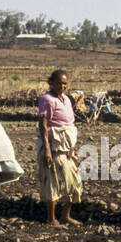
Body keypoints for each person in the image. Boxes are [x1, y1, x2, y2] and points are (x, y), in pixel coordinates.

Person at [37, 69, 84, 226]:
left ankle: (65, 216)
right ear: (51, 83)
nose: (62, 86)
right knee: (53, 181)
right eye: (59, 83)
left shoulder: (66, 100)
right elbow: (43, 126)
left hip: (65, 147)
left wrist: (71, 146)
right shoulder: (47, 99)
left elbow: (69, 124)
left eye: (65, 84)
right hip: (54, 147)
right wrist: (47, 150)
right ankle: (51, 219)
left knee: (74, 182)